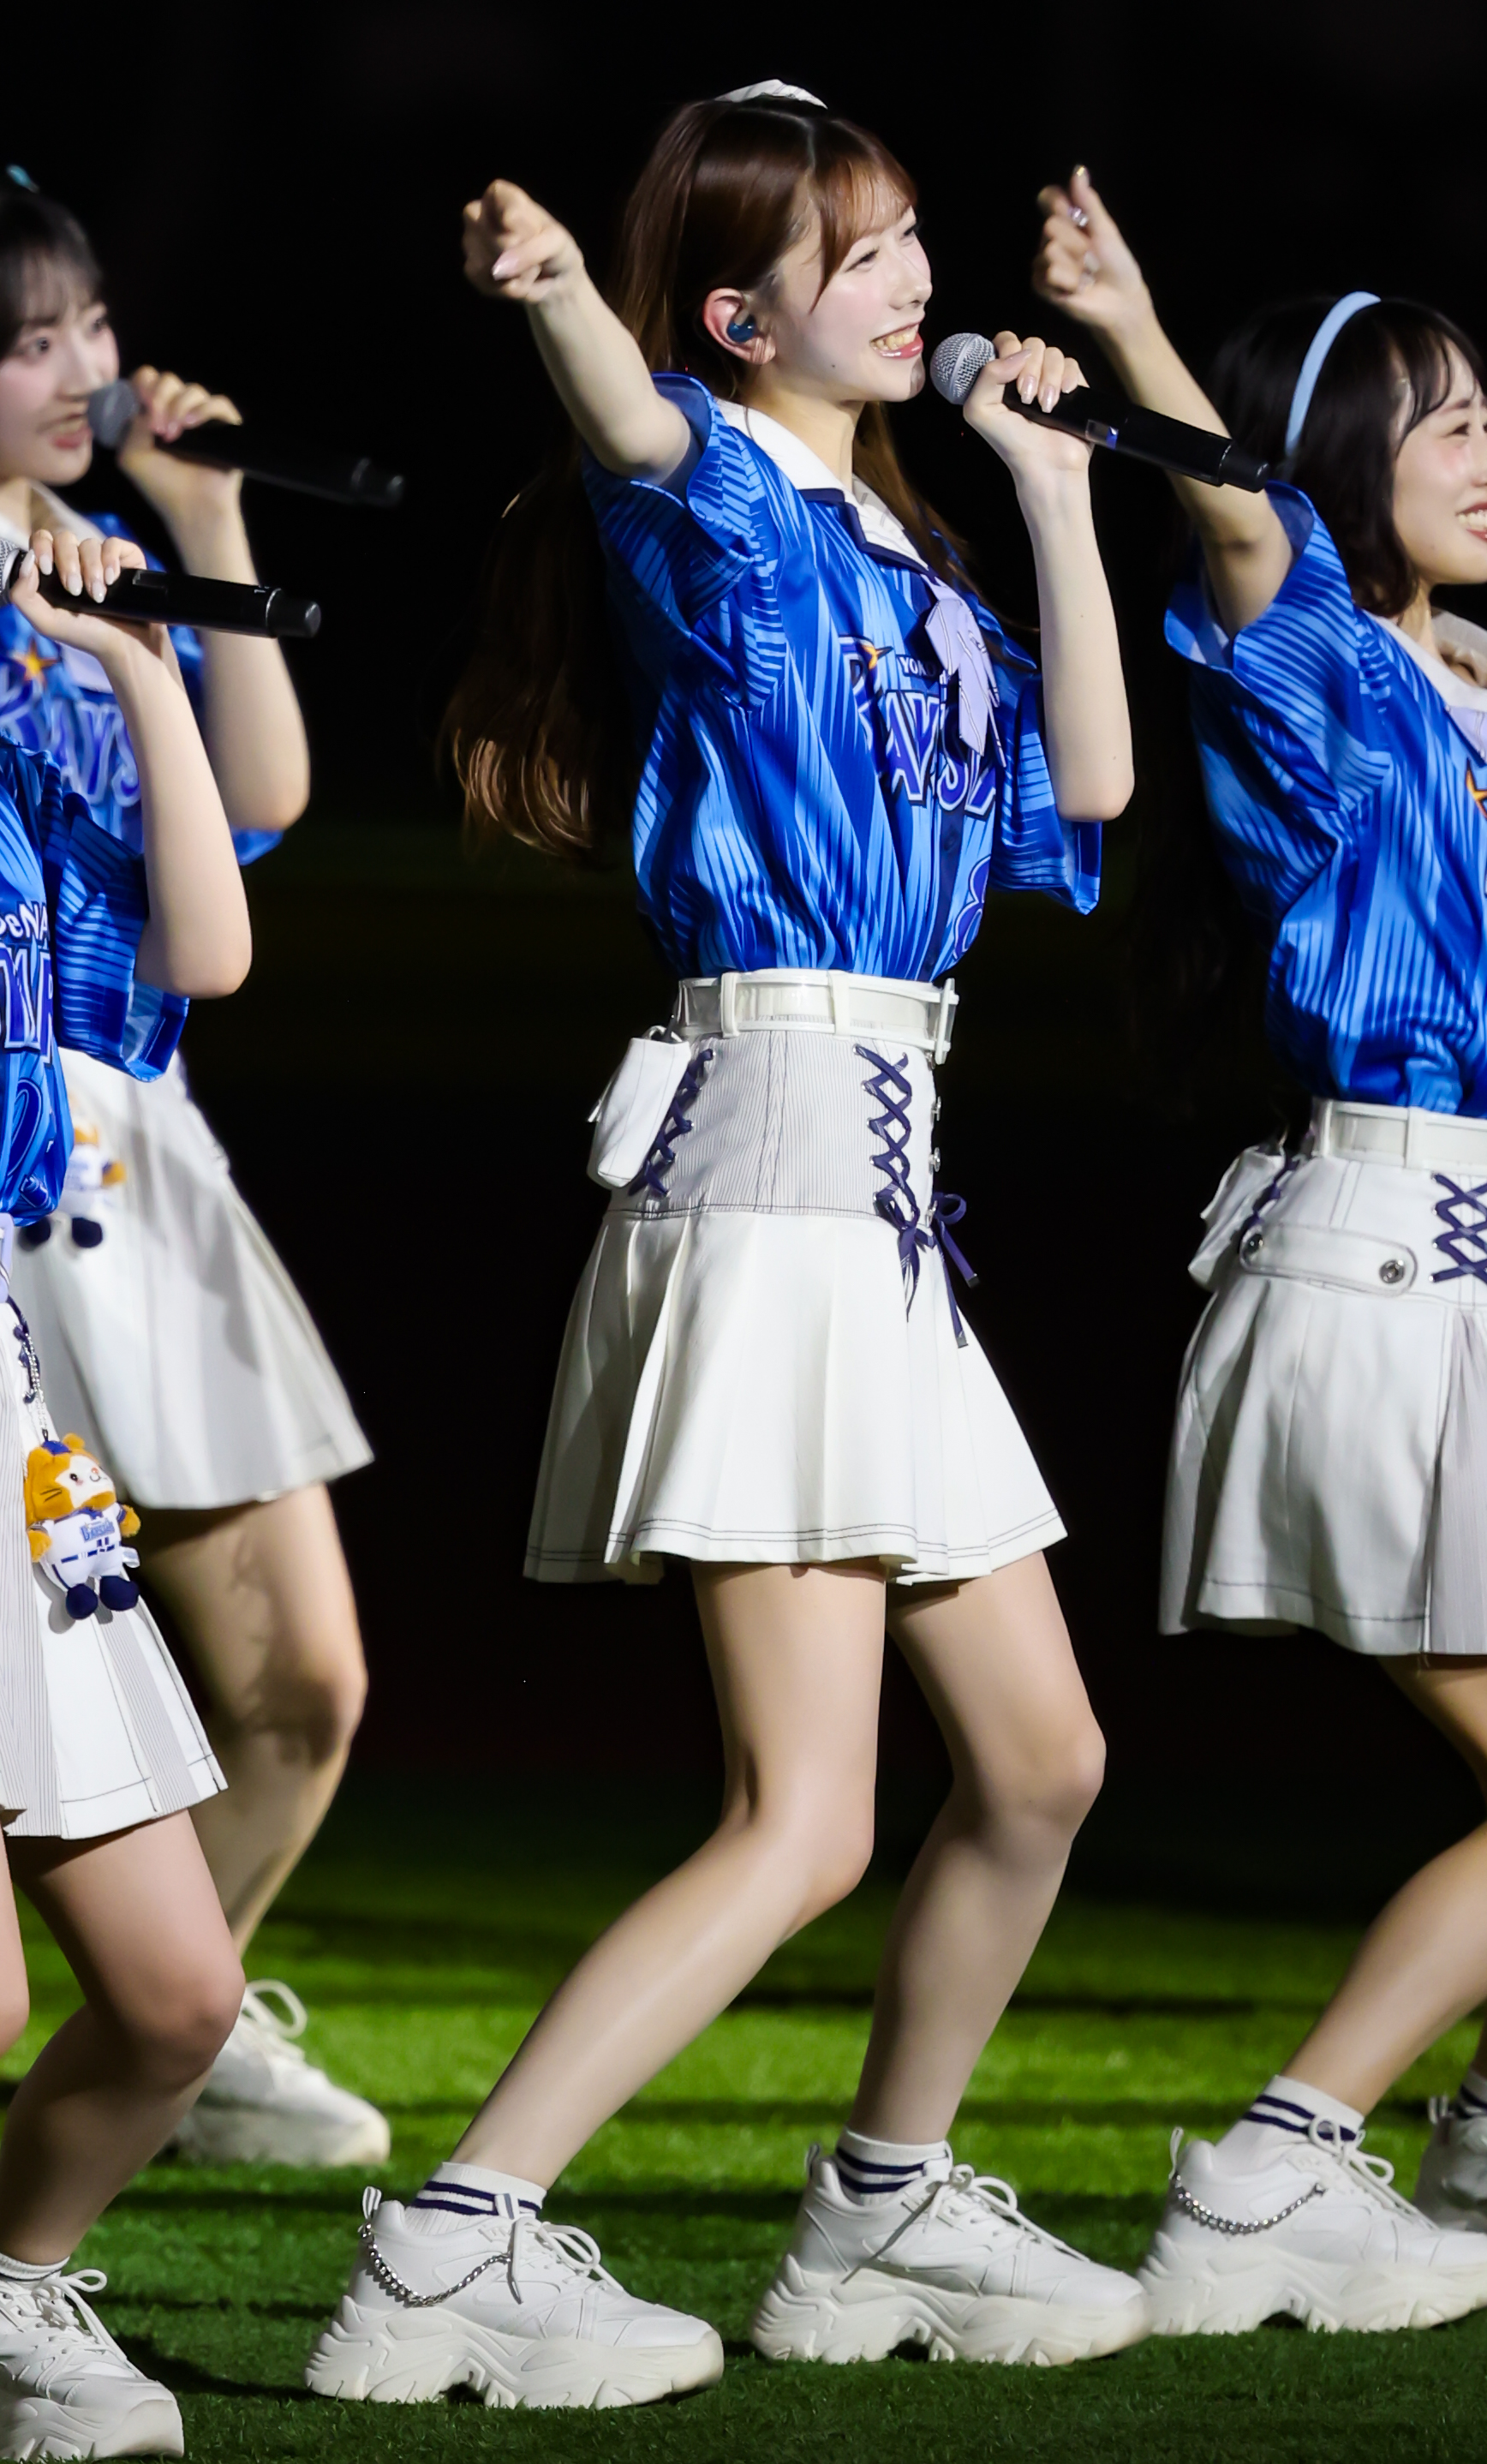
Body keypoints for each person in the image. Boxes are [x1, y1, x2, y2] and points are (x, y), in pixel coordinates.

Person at [306, 83, 1141, 2415]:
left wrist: (1058, 497)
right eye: (862, 255)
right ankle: (457, 2239)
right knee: (803, 1817)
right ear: (735, 313)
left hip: (883, 1197)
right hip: (772, 1168)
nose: (912, 284)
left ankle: (879, 2201)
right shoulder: (729, 504)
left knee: (1043, 1762)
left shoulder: (910, 549)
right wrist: (565, 293)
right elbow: (633, 445)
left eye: (911, 248)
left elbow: (1078, 798)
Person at [1036, 166, 1487, 2332]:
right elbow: (1232, 519)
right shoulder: (1310, 660)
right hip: (1378, 1254)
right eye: (1445, 418)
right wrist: (1126, 336)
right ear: (1340, 454)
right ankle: (1277, 2164)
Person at [0, 173, 386, 2168]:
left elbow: (257, 820)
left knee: (305, 1684)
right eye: (26, 339)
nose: (82, 370)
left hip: (147, 1132)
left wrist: (206, 533)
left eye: (86, 325)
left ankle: (182, 2008)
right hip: (17, 1140)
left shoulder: (115, 554)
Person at [0, 514, 251, 2459]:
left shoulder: (27, 723)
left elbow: (212, 949)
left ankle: (12, 2290)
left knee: (177, 1999)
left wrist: (141, 665)